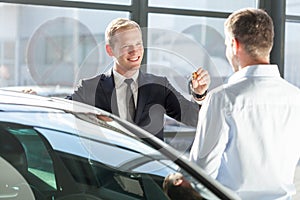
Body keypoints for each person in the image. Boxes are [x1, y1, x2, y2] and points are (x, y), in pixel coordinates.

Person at [189, 8, 300, 200]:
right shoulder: (296, 97)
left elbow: (201, 174)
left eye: (226, 43)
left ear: (234, 44)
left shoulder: (222, 99)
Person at [68, 18, 210, 140]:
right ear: (110, 50)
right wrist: (92, 119)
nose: (135, 51)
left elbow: (194, 119)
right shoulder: (90, 87)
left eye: (138, 44)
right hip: (105, 168)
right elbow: (62, 113)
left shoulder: (159, 85)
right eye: (126, 46)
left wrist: (199, 95)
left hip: (150, 169)